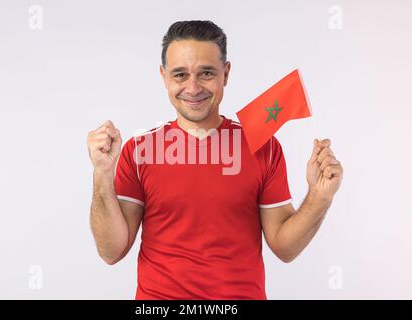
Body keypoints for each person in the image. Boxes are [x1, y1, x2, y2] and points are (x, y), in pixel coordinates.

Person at [87, 20, 343, 300]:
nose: (193, 87)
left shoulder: (262, 146)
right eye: (180, 75)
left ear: (226, 73)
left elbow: (285, 247)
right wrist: (102, 173)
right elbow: (111, 252)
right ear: (163, 77)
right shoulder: (140, 150)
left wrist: (320, 197)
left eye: (206, 73)